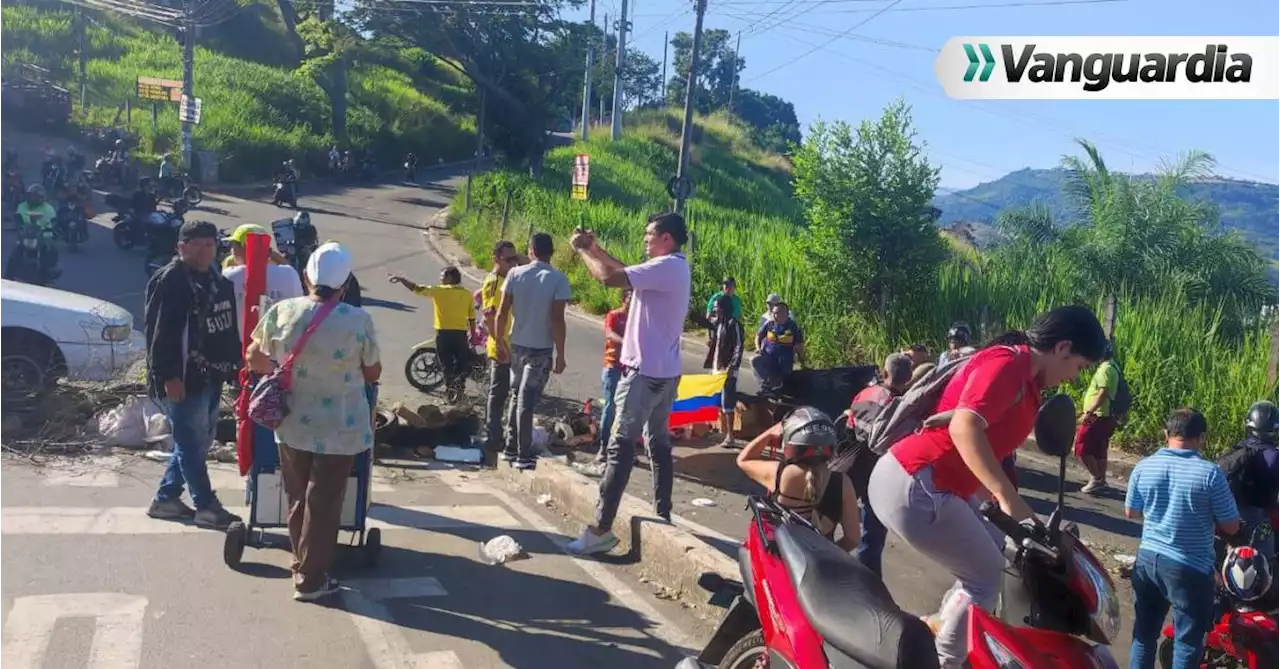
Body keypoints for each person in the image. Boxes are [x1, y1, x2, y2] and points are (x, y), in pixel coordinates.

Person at [866, 305, 1108, 668]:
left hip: (934, 484)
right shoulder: (1008, 364)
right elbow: (964, 429)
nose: (1074, 377)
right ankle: (946, 661)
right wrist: (1007, 499)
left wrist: (1015, 516)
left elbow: (984, 454)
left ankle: (940, 631)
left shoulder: (1028, 381)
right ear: (1062, 348)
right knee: (985, 577)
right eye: (1079, 367)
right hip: (916, 481)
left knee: (1006, 555)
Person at [247, 242, 382, 602]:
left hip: (291, 422)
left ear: (306, 276)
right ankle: (310, 578)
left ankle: (301, 562)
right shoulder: (358, 320)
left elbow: (253, 357)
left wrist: (281, 369)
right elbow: (373, 372)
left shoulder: (282, 311)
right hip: (341, 426)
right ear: (345, 282)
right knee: (323, 500)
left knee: (297, 497)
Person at [566, 212, 691, 555]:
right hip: (664, 373)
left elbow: (610, 277)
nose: (645, 239)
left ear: (667, 238)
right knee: (658, 445)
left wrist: (582, 251)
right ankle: (662, 514)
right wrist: (596, 246)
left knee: (621, 448)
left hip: (643, 374)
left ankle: (601, 528)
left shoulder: (666, 266)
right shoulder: (672, 267)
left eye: (650, 234)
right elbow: (624, 270)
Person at [144, 220, 243, 530]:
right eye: (196, 244)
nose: (204, 250)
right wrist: (169, 376)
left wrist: (234, 365)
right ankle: (206, 506)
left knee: (199, 440)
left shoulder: (217, 279)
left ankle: (166, 500)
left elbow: (228, 327)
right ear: (181, 247)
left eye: (210, 244)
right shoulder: (172, 281)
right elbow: (163, 334)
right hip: (183, 376)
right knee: (189, 441)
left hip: (211, 373)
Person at [1126, 408, 1241, 669]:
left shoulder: (1144, 466)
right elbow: (1232, 526)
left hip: (1147, 560)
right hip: (1189, 568)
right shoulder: (1210, 474)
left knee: (1143, 635)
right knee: (1187, 642)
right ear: (1201, 438)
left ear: (1166, 434)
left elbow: (1131, 512)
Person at [494, 233, 570, 470]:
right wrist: (561, 353)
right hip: (541, 348)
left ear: (530, 251)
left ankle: (510, 447)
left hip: (517, 345)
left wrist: (499, 341)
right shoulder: (558, 279)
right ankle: (522, 453)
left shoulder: (515, 274)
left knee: (517, 395)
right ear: (552, 252)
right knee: (526, 400)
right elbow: (558, 319)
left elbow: (501, 312)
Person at [737, 407, 860, 551]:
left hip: (780, 553)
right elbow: (852, 539)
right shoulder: (842, 482)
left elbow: (743, 460)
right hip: (816, 561)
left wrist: (770, 433)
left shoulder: (780, 473)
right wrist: (827, 554)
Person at [842, 352, 914, 578]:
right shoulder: (904, 408)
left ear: (884, 373)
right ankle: (867, 582)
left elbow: (849, 423)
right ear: (909, 379)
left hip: (851, 465)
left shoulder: (866, 392)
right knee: (871, 537)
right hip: (880, 475)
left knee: (832, 515)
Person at [389, 266, 474, 403]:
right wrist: (474, 335)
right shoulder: (467, 294)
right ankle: (459, 391)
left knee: (446, 365)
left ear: (450, 278)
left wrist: (402, 279)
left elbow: (416, 288)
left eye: (443, 276)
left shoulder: (439, 291)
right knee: (461, 364)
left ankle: (450, 393)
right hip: (461, 335)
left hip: (444, 334)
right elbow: (472, 317)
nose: (440, 279)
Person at [1217, 401, 1280, 560]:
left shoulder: (1237, 450)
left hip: (1230, 515)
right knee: (1263, 562)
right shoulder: (1275, 457)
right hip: (1259, 519)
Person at [220, 225, 304, 344]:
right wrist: (273, 256)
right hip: (278, 350)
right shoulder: (290, 274)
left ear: (241, 248)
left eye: (233, 246)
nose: (231, 251)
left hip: (240, 347)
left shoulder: (229, 276)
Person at [480, 240, 520, 450]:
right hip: (500, 347)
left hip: (512, 345)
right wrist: (501, 344)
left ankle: (502, 434)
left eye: (515, 258)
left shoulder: (508, 279)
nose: (513, 263)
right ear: (496, 259)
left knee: (510, 394)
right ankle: (492, 437)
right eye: (508, 259)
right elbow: (488, 318)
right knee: (498, 395)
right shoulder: (493, 282)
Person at [1075, 342, 1121, 494]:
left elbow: (1102, 394)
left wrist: (1088, 412)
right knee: (1099, 450)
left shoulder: (1105, 369)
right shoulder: (1113, 366)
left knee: (1081, 448)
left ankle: (1096, 479)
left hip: (1096, 415)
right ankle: (1100, 480)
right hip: (1105, 415)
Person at [596, 290, 632, 462]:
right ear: (624, 299)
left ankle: (622, 449)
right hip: (613, 366)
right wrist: (625, 342)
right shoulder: (614, 315)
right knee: (610, 406)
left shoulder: (636, 320)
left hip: (630, 369)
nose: (633, 303)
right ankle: (603, 447)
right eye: (630, 299)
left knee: (628, 411)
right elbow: (609, 333)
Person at [706, 293, 744, 449]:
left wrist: (732, 366)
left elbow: (738, 347)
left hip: (728, 369)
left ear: (724, 308)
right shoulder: (719, 323)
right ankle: (721, 430)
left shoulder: (734, 324)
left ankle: (730, 436)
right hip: (717, 367)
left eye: (717, 308)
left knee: (727, 402)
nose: (715, 311)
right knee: (717, 400)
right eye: (714, 309)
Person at [9, 184, 60, 280]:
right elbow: (18, 218)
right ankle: (8, 276)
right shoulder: (22, 206)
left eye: (39, 197)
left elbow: (54, 221)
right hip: (26, 236)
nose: (37, 199)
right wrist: (18, 226)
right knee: (14, 252)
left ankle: (50, 274)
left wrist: (54, 229)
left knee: (52, 250)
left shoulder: (48, 208)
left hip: (44, 237)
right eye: (35, 196)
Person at [752, 301, 805, 394]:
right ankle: (765, 385)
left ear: (785, 314)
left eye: (777, 313)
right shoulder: (770, 324)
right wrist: (758, 347)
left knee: (784, 387)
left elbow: (799, 346)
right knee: (754, 360)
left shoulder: (793, 327)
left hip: (784, 362)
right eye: (773, 313)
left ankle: (778, 385)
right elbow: (758, 336)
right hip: (769, 358)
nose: (774, 316)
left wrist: (802, 361)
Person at [223, 224, 290, 269]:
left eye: (234, 244)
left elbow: (287, 270)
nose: (232, 249)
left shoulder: (272, 262)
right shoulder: (230, 261)